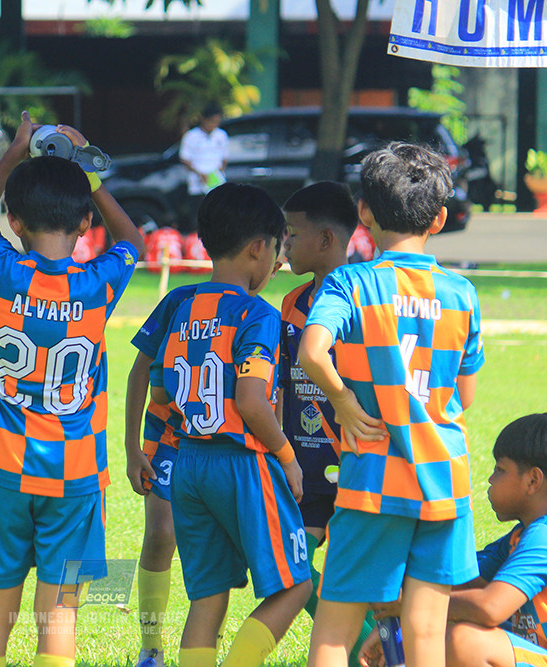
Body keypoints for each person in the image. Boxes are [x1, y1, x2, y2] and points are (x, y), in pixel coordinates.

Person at [0, 111, 145, 667]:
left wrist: (17, 149)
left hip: (3, 468)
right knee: (58, 620)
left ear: (15, 222)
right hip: (76, 475)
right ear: (86, 222)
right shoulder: (97, 284)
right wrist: (89, 171)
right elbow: (132, 238)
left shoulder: (2, 271)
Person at [298, 142, 485, 667]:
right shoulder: (462, 293)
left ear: (364, 213)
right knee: (425, 633)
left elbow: (312, 351)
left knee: (334, 632)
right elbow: (465, 396)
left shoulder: (350, 282)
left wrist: (342, 400)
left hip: (372, 483)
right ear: (440, 218)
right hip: (445, 480)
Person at [149, 182, 312, 667]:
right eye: (277, 249)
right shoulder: (256, 313)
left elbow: (160, 391)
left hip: (188, 463)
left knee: (207, 597)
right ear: (259, 247)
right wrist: (288, 456)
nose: (278, 261)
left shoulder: (182, 307)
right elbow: (252, 401)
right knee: (296, 586)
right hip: (242, 463)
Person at [359, 413, 547, 667]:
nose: (491, 479)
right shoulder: (521, 537)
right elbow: (460, 582)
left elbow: (489, 607)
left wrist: (412, 606)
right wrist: (404, 621)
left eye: (500, 470)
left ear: (533, 480)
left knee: (465, 640)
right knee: (449, 615)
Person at [278, 181, 376, 667]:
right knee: (291, 564)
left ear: (325, 239)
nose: (285, 244)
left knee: (363, 576)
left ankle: (374, 648)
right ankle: (366, 647)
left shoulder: (366, 297)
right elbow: (284, 383)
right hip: (304, 464)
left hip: (359, 461)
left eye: (292, 234)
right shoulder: (292, 302)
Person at [124, 281, 197, 667]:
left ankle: (206, 647)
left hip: (222, 444)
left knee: (212, 546)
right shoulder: (178, 300)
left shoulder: (258, 312)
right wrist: (131, 446)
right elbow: (140, 368)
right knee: (160, 534)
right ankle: (151, 649)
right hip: (167, 434)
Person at [178, 102, 229, 233]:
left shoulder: (221, 135)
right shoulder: (191, 136)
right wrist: (200, 174)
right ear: (204, 119)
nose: (214, 125)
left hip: (215, 183)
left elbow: (224, 157)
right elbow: (185, 158)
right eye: (212, 121)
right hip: (197, 184)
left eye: (217, 122)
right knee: (198, 217)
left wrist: (218, 173)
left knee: (217, 216)